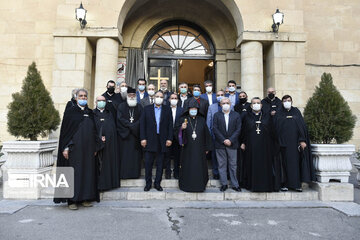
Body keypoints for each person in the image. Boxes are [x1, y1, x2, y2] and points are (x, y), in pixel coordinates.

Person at [54, 89, 101, 210]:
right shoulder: (70, 112)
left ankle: (85, 198)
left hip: (89, 150)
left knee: (87, 173)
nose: (83, 98)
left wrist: (96, 147)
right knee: (74, 174)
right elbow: (66, 133)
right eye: (81, 96)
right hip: (74, 150)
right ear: (76, 98)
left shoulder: (90, 113)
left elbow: (96, 131)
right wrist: (65, 148)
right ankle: (72, 201)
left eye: (85, 96)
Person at [274, 95, 315, 192]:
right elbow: (275, 128)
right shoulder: (278, 113)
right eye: (284, 101)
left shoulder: (296, 111)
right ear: (282, 102)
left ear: (292, 101)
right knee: (283, 165)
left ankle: (296, 185)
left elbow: (302, 127)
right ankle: (284, 184)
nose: (287, 102)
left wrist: (302, 140)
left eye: (288, 100)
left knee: (296, 164)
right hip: (282, 144)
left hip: (295, 144)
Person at [240, 97, 278, 192]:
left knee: (265, 166)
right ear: (251, 105)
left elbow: (273, 132)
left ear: (261, 105)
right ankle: (252, 185)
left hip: (265, 147)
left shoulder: (267, 116)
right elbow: (243, 131)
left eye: (258, 103)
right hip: (251, 147)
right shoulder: (246, 117)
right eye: (254, 103)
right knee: (251, 165)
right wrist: (243, 142)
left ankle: (265, 186)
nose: (256, 104)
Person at [176, 101, 212, 192]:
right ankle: (187, 186)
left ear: (198, 110)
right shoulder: (183, 120)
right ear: (188, 110)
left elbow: (206, 134)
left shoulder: (201, 120)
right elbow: (176, 133)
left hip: (200, 148)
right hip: (187, 149)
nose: (193, 110)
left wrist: (207, 147)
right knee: (188, 166)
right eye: (191, 109)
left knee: (199, 167)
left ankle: (199, 186)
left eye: (195, 109)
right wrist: (181, 129)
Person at [140, 91, 173, 191]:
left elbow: (170, 125)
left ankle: (157, 183)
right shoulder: (146, 109)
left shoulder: (167, 109)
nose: (159, 98)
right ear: (153, 97)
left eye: (161, 97)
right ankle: (148, 183)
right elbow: (142, 125)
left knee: (160, 163)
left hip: (162, 140)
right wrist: (143, 138)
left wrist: (169, 138)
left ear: (163, 99)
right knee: (148, 163)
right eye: (157, 96)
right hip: (149, 140)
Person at [213, 97, 242, 192]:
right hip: (220, 144)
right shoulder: (217, 115)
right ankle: (224, 184)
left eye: (227, 103)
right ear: (220, 105)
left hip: (232, 144)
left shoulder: (236, 115)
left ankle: (235, 184)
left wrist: (230, 140)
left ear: (230, 104)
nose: (225, 104)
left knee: (233, 165)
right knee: (221, 165)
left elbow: (238, 129)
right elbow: (215, 129)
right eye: (223, 103)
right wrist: (223, 140)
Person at [93, 96, 120, 191]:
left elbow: (112, 128)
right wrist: (99, 137)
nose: (101, 102)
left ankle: (108, 184)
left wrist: (107, 136)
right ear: (96, 102)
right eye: (99, 101)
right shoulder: (92, 114)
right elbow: (91, 129)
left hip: (109, 144)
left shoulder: (109, 114)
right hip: (96, 145)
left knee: (107, 163)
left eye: (103, 101)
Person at [117, 87, 143, 179]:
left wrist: (133, 127)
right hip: (125, 136)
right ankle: (124, 174)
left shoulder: (139, 107)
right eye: (130, 95)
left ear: (136, 96)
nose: (132, 97)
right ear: (127, 96)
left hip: (135, 136)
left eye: (133, 95)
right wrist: (131, 126)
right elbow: (119, 119)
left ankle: (134, 174)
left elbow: (142, 120)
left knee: (135, 157)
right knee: (125, 157)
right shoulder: (121, 106)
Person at [206, 90, 226, 180]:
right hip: (214, 135)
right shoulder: (212, 107)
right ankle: (215, 172)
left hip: (226, 135)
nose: (220, 96)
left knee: (226, 155)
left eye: (222, 95)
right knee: (214, 155)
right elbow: (208, 121)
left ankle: (226, 173)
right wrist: (209, 135)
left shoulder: (230, 106)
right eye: (218, 95)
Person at [164, 93, 183, 179]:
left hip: (178, 135)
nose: (174, 100)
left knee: (177, 155)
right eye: (172, 98)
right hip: (167, 135)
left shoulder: (181, 110)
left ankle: (176, 172)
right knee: (167, 154)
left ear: (178, 100)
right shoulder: (165, 109)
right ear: (169, 100)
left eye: (175, 98)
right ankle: (168, 171)